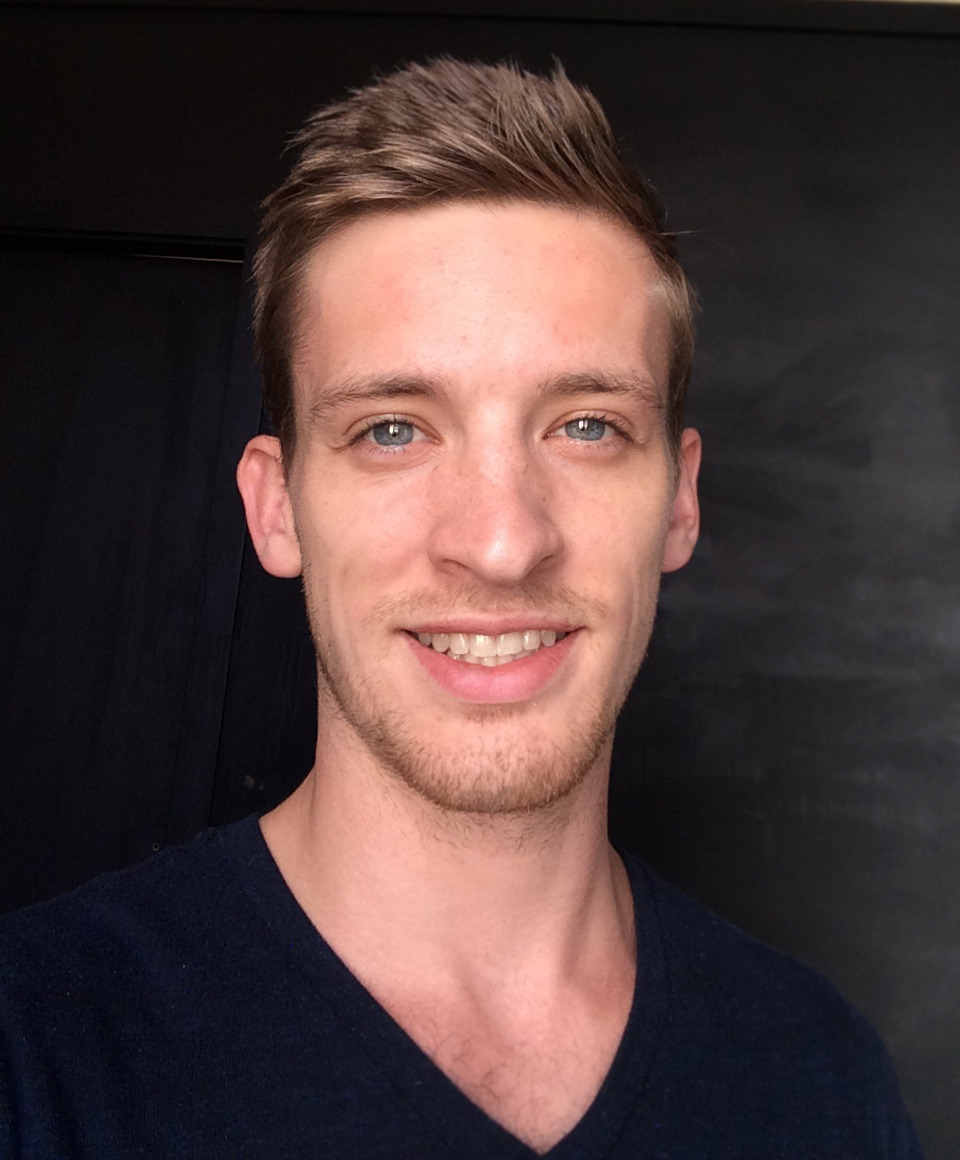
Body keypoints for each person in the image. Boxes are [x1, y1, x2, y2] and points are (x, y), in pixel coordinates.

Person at [0, 59, 922, 1158]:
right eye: (392, 429)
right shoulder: (33, 1052)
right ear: (277, 508)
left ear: (679, 501)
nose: (501, 542)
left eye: (587, 425)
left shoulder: (824, 1076)